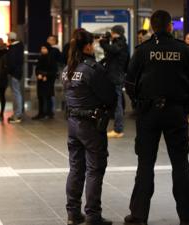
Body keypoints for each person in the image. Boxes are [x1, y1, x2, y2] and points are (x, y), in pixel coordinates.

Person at [124, 10, 189, 225]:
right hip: (176, 113)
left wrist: (139, 103)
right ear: (169, 27)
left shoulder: (142, 51)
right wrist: (185, 105)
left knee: (145, 164)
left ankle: (139, 215)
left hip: (148, 113)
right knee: (181, 163)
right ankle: (186, 216)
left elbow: (130, 84)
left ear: (152, 28)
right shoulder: (184, 51)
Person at [63, 28, 117, 225]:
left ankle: (73, 213)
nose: (94, 46)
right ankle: (93, 215)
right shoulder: (92, 69)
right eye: (92, 43)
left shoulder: (68, 68)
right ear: (87, 46)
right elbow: (109, 96)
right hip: (91, 125)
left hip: (72, 124)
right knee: (94, 169)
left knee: (76, 168)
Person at [100, 25, 130, 138]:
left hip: (116, 77)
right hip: (115, 76)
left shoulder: (120, 44)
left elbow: (113, 50)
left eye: (112, 33)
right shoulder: (119, 43)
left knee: (117, 104)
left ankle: (118, 130)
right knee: (115, 103)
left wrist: (103, 43)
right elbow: (109, 56)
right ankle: (116, 128)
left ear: (115, 33)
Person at [32, 43, 57, 120]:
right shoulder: (40, 58)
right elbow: (37, 68)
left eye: (44, 48)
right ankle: (41, 113)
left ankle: (49, 113)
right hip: (41, 81)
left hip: (48, 81)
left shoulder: (51, 59)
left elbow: (54, 71)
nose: (42, 50)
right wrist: (38, 74)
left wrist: (46, 76)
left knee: (48, 97)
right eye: (42, 48)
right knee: (40, 97)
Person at [6, 32, 24, 123]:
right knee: (16, 93)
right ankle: (17, 113)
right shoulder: (18, 47)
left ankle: (17, 115)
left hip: (14, 74)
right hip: (16, 73)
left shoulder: (13, 49)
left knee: (16, 94)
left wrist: (9, 71)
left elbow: (12, 62)